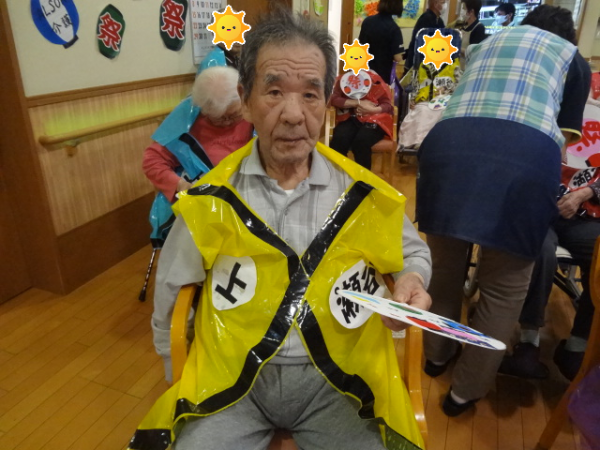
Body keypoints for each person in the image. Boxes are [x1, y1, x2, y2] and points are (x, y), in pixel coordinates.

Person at [128, 9, 432, 450]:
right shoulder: (210, 198)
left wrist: (412, 280)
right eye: (273, 91)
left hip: (342, 381)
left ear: (326, 102)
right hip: (232, 378)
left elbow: (413, 254)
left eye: (310, 94)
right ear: (245, 101)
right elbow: (172, 291)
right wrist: (177, 374)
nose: (293, 114)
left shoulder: (361, 191)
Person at [415, 5, 590, 417]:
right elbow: (564, 137)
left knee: (445, 271)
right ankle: (465, 392)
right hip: (525, 160)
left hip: (448, 148)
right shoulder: (573, 59)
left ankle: (436, 356)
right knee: (502, 289)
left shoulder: (486, 44)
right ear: (569, 37)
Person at [499, 163, 600, 381]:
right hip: (537, 209)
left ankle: (577, 346)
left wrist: (585, 192)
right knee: (541, 253)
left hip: (586, 215)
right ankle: (528, 341)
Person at [142, 66, 253, 202]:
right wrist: (179, 184)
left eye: (234, 115)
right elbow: (153, 160)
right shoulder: (188, 116)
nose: (227, 122)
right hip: (207, 199)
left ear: (243, 96)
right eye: (218, 118)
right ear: (202, 109)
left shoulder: (255, 111)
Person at [329, 70, 394, 170]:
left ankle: (363, 179)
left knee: (361, 142)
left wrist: (372, 110)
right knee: (338, 140)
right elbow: (333, 99)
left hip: (376, 120)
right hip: (350, 118)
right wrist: (357, 103)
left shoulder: (375, 80)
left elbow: (388, 105)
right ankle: (341, 175)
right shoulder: (343, 80)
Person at [358, 0, 405, 83]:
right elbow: (398, 58)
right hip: (382, 77)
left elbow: (360, 45)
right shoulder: (394, 28)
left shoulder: (367, 21)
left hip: (364, 73)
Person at [404, 0, 446, 73]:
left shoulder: (439, 20)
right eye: (443, 2)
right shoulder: (426, 19)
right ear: (435, 4)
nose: (445, 5)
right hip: (417, 63)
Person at [451, 0, 486, 70]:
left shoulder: (478, 28)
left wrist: (456, 48)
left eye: (463, 9)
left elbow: (474, 53)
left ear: (471, 12)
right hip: (455, 67)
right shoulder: (462, 25)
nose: (461, 12)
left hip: (466, 69)